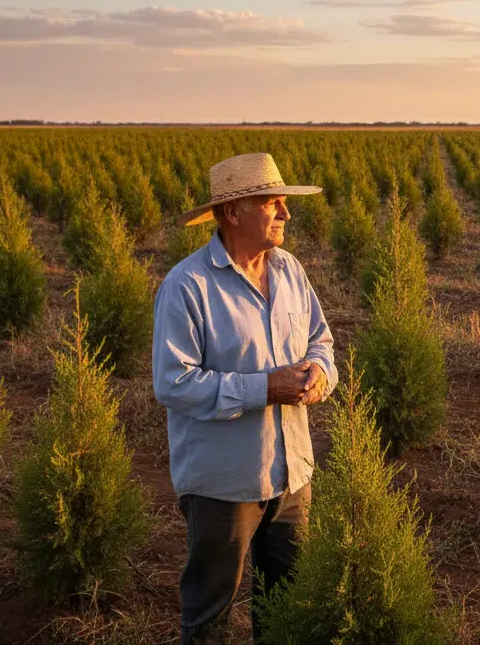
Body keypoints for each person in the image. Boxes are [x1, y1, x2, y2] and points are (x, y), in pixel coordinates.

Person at [152, 152, 337, 645]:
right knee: (210, 614)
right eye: (273, 203)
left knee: (288, 609)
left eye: (284, 202)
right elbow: (172, 383)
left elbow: (321, 339)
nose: (286, 213)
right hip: (224, 486)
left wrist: (320, 372)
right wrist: (264, 388)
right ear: (233, 212)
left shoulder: (291, 270)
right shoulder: (186, 286)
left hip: (292, 475)